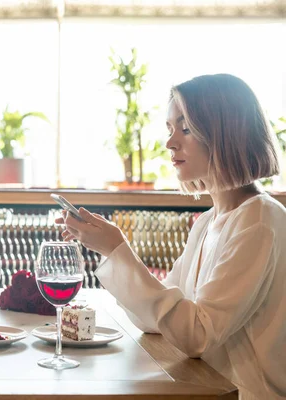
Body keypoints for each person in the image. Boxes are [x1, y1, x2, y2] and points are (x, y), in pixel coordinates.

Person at [57, 74, 285, 400]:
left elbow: (196, 335)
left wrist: (119, 251)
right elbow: (155, 321)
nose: (170, 143)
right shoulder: (209, 222)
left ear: (225, 133)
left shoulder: (258, 221)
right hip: (207, 387)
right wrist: (108, 249)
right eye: (169, 129)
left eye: (186, 128)